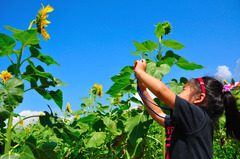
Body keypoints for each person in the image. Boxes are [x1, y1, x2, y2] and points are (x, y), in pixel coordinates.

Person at [133, 59, 240, 159]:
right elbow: (158, 114)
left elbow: (162, 91)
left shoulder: (198, 117)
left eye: (183, 89)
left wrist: (141, 72)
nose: (178, 94)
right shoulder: (186, 122)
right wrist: (141, 86)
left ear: (199, 98)